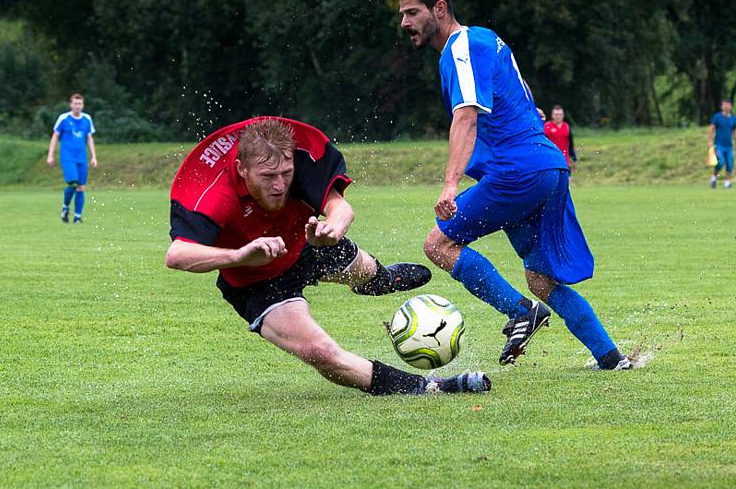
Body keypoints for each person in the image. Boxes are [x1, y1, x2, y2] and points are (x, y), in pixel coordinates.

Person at [397, 0, 631, 370]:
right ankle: (612, 358)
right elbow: (515, 98)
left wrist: (450, 185)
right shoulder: (486, 39)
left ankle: (521, 313)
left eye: (412, 12)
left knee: (438, 245)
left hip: (517, 171)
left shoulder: (460, 47)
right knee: (541, 279)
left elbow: (466, 116)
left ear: (439, 8)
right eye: (402, 14)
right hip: (547, 169)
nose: (404, 22)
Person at [165, 116, 491, 395]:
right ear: (241, 168)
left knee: (364, 270)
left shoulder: (300, 160)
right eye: (267, 177)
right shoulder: (211, 192)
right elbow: (177, 254)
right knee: (320, 353)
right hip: (255, 282)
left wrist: (332, 230)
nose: (279, 185)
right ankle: (431, 387)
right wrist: (240, 256)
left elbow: (340, 208)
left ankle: (380, 279)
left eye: (285, 174)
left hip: (306, 244)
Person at [46, 93, 97, 223]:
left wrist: (93, 157)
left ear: (83, 105)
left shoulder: (87, 119)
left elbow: (89, 138)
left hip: (81, 157)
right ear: (71, 105)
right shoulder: (63, 118)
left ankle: (77, 217)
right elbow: (55, 136)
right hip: (67, 156)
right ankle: (65, 207)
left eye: (79, 103)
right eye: (75, 103)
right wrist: (50, 155)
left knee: (81, 187)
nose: (77, 106)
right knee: (73, 182)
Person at [708, 99, 736, 189]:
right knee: (720, 162)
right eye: (724, 105)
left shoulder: (733, 119)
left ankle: (727, 182)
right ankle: (714, 178)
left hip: (729, 146)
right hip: (719, 145)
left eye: (728, 105)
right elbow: (711, 129)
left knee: (730, 164)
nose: (726, 106)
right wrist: (710, 141)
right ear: (722, 107)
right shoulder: (717, 117)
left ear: (731, 106)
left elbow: (735, 132)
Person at [544, 105, 577, 170]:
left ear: (563, 115)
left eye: (560, 114)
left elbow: (570, 145)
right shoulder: (546, 126)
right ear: (552, 115)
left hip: (565, 162)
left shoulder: (567, 127)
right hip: (550, 162)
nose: (558, 116)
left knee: (567, 180)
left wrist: (574, 158)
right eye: (556, 114)